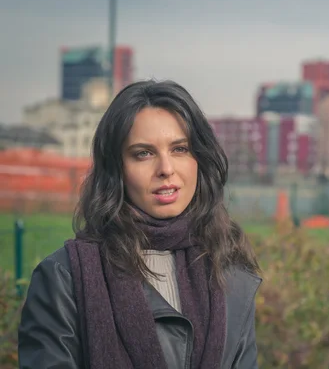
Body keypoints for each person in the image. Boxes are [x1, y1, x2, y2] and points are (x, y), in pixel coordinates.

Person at [18, 80, 262, 369]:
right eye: (143, 153)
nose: (166, 169)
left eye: (180, 149)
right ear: (116, 168)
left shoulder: (230, 273)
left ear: (200, 158)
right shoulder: (64, 278)